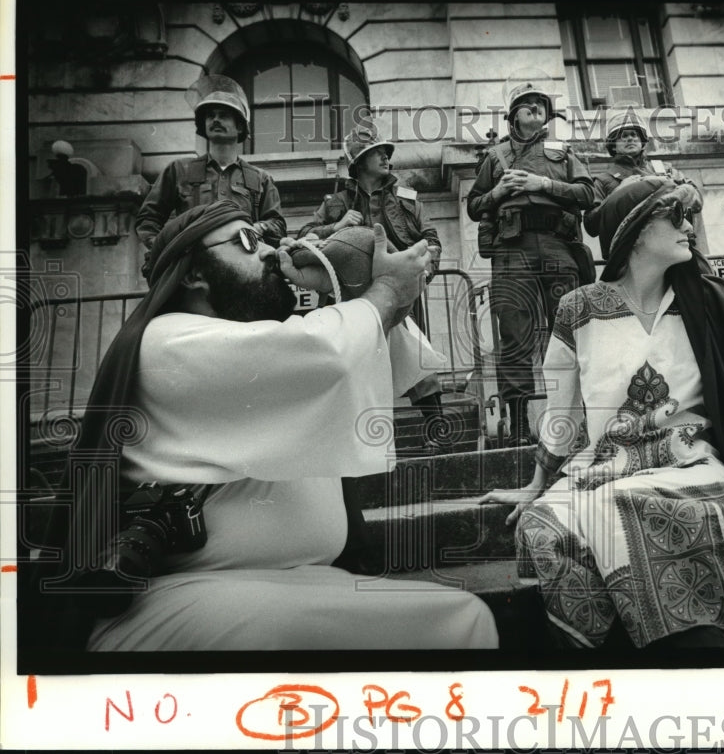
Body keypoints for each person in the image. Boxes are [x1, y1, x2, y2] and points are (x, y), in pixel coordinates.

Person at [27, 200, 498, 654]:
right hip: (179, 592)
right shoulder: (166, 340)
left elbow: (377, 358)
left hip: (301, 579)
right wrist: (387, 293)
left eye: (268, 237)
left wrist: (351, 288)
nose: (273, 251)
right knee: (280, 631)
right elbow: (327, 353)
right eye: (248, 241)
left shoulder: (275, 345)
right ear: (194, 272)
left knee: (464, 619)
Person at [481, 179, 724, 651]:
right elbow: (561, 410)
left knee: (617, 508)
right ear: (637, 232)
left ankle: (706, 646)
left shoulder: (705, 301)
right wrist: (536, 484)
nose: (689, 228)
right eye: (676, 218)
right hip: (603, 466)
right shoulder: (578, 308)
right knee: (540, 528)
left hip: (693, 466)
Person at [466, 79, 594, 445]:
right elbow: (474, 206)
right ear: (513, 115)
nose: (535, 108)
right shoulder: (496, 156)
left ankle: (581, 415)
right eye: (527, 104)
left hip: (557, 245)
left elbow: (588, 192)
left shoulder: (563, 150)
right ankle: (520, 426)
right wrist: (498, 192)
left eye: (540, 103)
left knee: (571, 330)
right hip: (512, 249)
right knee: (515, 334)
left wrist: (544, 185)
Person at [306, 124, 447, 453]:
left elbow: (432, 243)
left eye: (386, 152)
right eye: (376, 152)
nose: (385, 156)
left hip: (399, 298)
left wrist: (423, 274)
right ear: (358, 160)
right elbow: (308, 238)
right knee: (353, 369)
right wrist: (337, 226)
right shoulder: (335, 203)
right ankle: (352, 446)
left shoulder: (408, 200)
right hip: (352, 301)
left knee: (416, 358)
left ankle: (437, 432)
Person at [134, 75, 286, 253]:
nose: (215, 120)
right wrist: (165, 252)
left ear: (239, 127)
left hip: (243, 267)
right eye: (210, 116)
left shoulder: (260, 178)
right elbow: (149, 218)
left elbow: (277, 225)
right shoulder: (180, 170)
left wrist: (257, 228)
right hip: (192, 270)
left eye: (223, 116)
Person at [583, 108, 697, 240]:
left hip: (672, 243)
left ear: (642, 141)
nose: (630, 138)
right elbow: (591, 226)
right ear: (613, 145)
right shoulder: (603, 181)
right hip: (630, 250)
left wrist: (674, 191)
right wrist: (617, 194)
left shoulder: (664, 170)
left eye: (634, 135)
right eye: (623, 136)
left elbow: (695, 200)